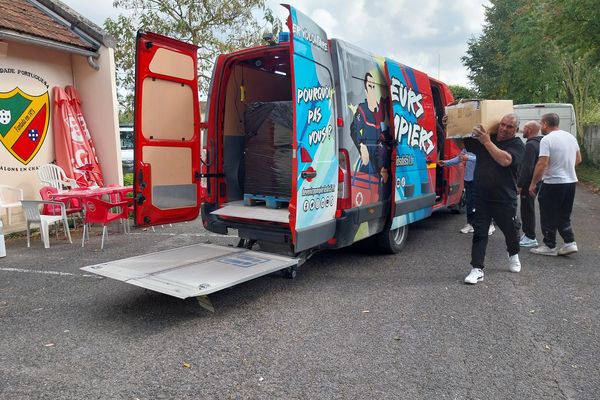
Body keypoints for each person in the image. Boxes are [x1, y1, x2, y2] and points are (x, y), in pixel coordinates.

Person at [462, 114, 525, 284]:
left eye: (509, 127)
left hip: (505, 198)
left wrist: (487, 142)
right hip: (481, 196)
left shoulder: (517, 144)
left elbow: (505, 160)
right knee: (480, 232)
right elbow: (460, 142)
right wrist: (450, 125)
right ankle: (477, 268)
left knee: (511, 231)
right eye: (502, 124)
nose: (504, 129)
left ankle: (513, 253)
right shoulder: (486, 138)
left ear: (516, 130)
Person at [528, 113, 582, 256]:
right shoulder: (571, 137)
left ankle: (549, 245)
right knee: (564, 214)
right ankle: (570, 242)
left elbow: (542, 163)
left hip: (553, 183)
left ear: (545, 124)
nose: (540, 126)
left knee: (548, 213)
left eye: (541, 123)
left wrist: (533, 183)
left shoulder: (547, 139)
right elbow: (578, 159)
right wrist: (566, 168)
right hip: (570, 182)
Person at [516, 121, 543, 247]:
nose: (522, 130)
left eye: (525, 128)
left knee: (527, 209)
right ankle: (528, 234)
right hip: (537, 180)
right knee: (529, 207)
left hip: (529, 182)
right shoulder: (540, 142)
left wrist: (520, 184)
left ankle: (530, 236)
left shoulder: (531, 145)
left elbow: (527, 167)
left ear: (530, 130)